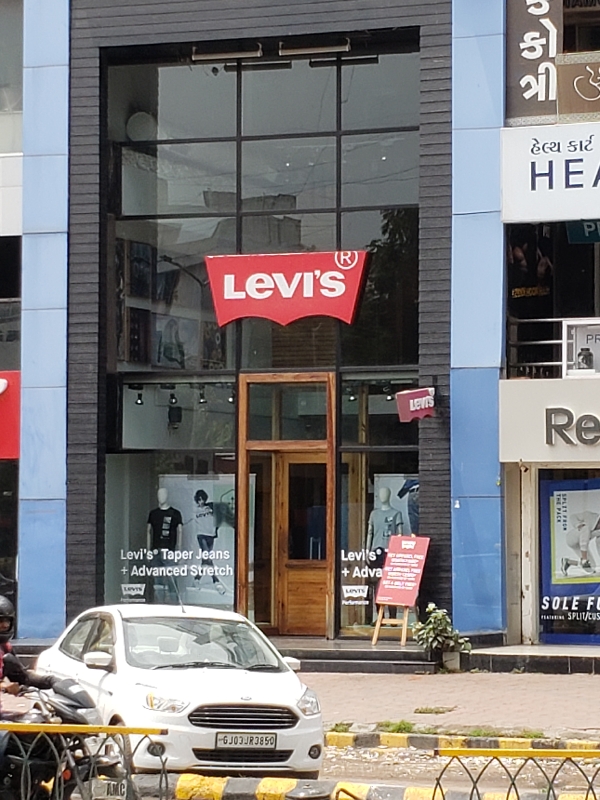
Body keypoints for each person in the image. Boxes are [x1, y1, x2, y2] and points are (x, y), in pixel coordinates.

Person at [0, 596, 54, 695]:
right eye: (0, 621)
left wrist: (50, 681)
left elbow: (23, 676)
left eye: (7, 621)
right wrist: (3, 687)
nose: (5, 625)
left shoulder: (5, 648)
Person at [193, 489, 226, 595]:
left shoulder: (210, 507)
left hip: (210, 535)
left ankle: (197, 579)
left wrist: (216, 529)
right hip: (201, 535)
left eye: (202, 499)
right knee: (207, 556)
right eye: (199, 500)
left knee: (205, 560)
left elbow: (220, 516)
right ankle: (216, 581)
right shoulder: (195, 510)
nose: (201, 501)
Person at [562, 510, 600, 576]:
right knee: (586, 528)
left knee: (591, 567)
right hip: (572, 538)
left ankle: (568, 562)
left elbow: (599, 545)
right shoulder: (590, 515)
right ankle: (584, 559)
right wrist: (578, 524)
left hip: (579, 545)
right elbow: (573, 517)